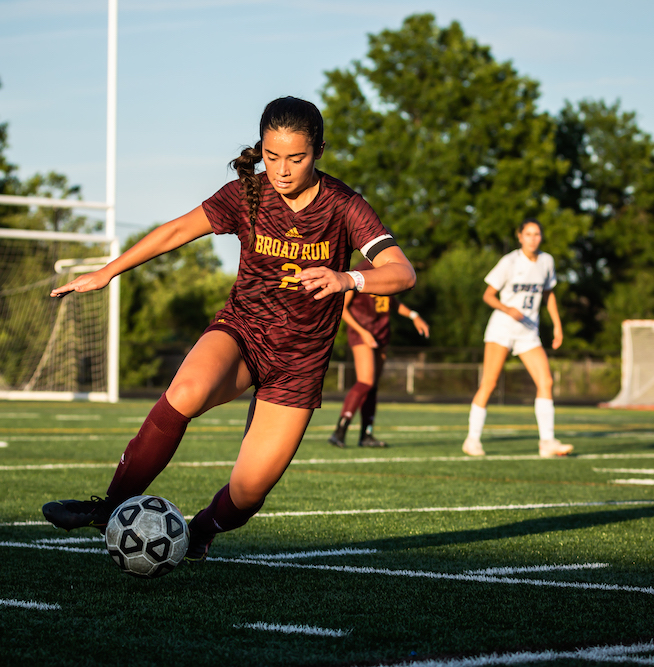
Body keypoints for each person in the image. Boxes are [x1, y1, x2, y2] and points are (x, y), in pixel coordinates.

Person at [41, 97, 416, 561]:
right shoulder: (247, 193)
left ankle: (198, 530)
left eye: (295, 159)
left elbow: (402, 272)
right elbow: (177, 231)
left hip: (299, 362)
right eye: (272, 156)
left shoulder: (345, 205)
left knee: (249, 491)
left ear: (319, 151)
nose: (282, 170)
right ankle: (111, 506)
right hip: (242, 331)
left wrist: (348, 278)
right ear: (261, 149)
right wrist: (108, 271)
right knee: (188, 390)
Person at [462, 219, 572, 458]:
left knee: (546, 382)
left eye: (537, 234)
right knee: (489, 384)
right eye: (528, 234)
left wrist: (557, 326)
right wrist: (506, 308)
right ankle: (472, 440)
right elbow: (488, 295)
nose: (533, 238)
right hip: (502, 329)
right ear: (519, 236)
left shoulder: (547, 261)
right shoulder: (509, 262)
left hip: (528, 332)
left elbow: (549, 294)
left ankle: (547, 442)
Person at [327, 258, 430, 448]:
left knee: (372, 386)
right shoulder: (360, 271)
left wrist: (414, 316)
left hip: (382, 333)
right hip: (363, 333)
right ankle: (339, 431)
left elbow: (393, 302)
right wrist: (363, 332)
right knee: (365, 381)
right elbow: (342, 307)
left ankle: (366, 434)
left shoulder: (388, 271)